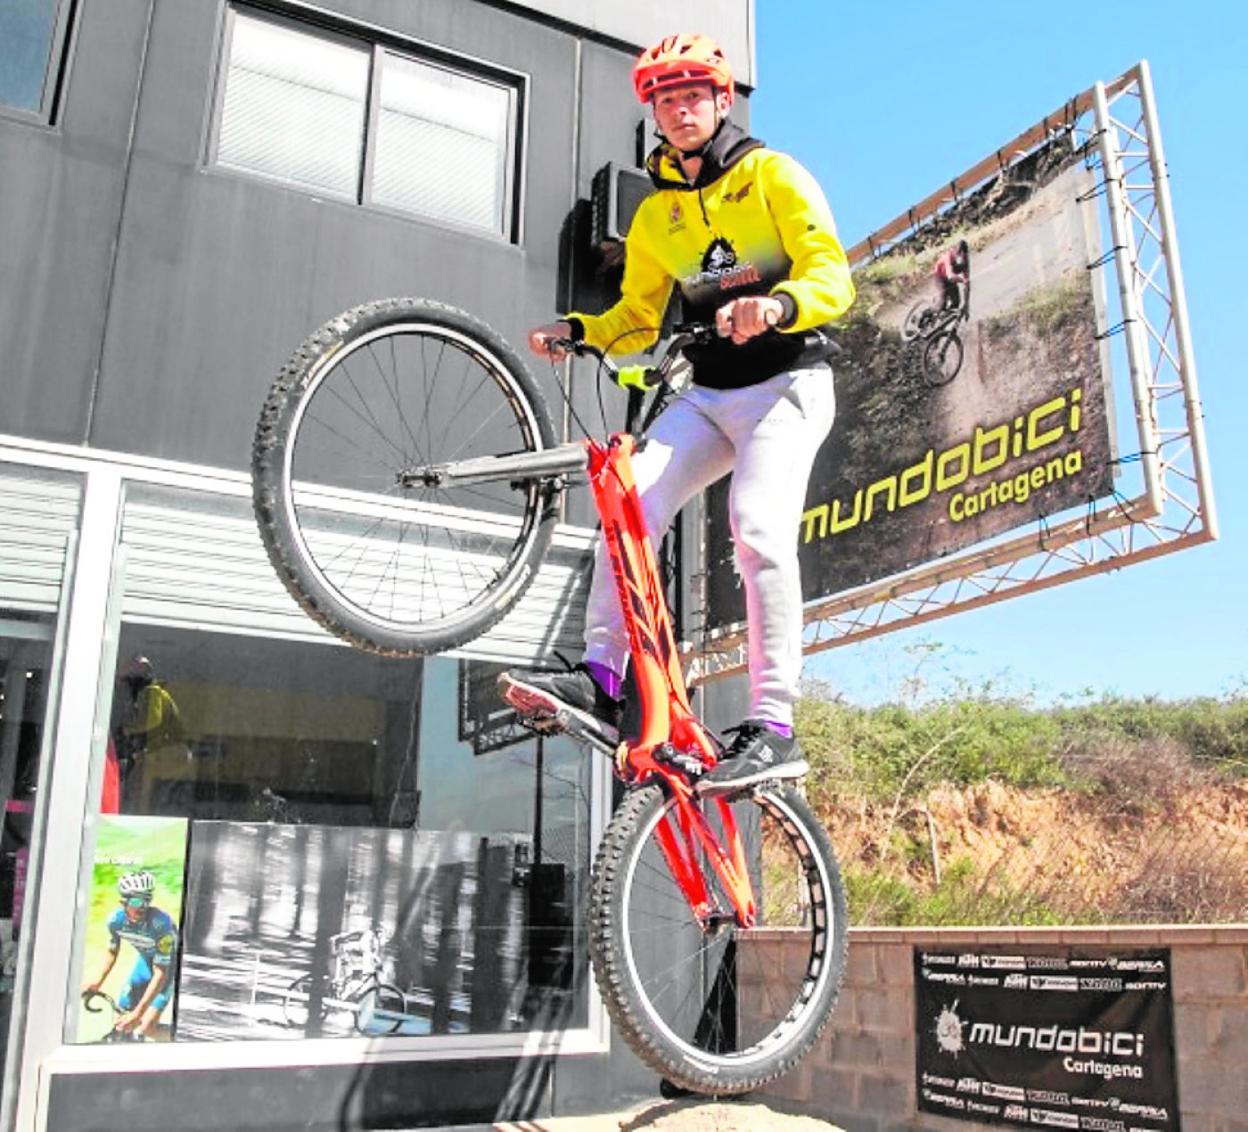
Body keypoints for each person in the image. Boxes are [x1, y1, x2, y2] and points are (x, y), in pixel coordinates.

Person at [501, 32, 855, 795]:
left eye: (694, 93)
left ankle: (774, 726)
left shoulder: (771, 175)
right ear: (654, 113)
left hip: (787, 385)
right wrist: (580, 331)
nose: (681, 108)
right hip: (709, 395)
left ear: (722, 101)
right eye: (667, 98)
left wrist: (777, 304)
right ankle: (601, 677)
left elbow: (833, 275)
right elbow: (637, 317)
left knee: (756, 530)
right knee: (627, 503)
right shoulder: (657, 216)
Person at [82, 870, 178, 1038]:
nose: (143, 906)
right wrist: (97, 982)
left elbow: (161, 974)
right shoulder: (115, 921)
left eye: (147, 899)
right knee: (121, 1022)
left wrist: (138, 1014)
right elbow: (112, 951)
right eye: (136, 901)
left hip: (168, 969)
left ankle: (185, 1039)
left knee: (147, 1028)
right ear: (123, 902)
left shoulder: (161, 924)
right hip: (145, 964)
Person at [933, 239, 970, 314]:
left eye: (963, 254)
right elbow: (950, 276)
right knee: (941, 303)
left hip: (950, 280)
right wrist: (963, 280)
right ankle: (926, 314)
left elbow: (967, 285)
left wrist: (966, 305)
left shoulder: (965, 260)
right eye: (958, 254)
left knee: (956, 302)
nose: (960, 257)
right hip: (939, 277)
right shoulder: (948, 256)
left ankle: (945, 318)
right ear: (954, 251)